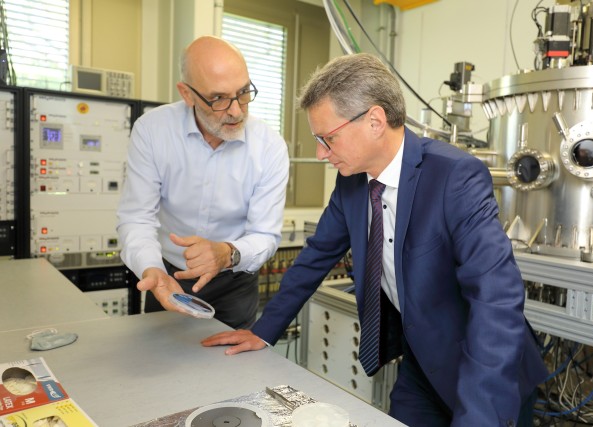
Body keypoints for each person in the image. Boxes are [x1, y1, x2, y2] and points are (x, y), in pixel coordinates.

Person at [201, 52, 548, 426]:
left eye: (327, 138)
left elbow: (495, 300)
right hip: (421, 367)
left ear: (375, 121)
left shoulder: (455, 178)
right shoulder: (352, 181)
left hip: (485, 372)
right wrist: (264, 331)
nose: (320, 154)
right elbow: (316, 256)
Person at [116, 36, 289, 329]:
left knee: (233, 370)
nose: (236, 111)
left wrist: (228, 253)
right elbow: (136, 218)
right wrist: (153, 269)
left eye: (243, 92)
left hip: (235, 281)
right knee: (160, 365)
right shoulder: (152, 131)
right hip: (168, 277)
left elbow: (265, 234)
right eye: (219, 98)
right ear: (187, 94)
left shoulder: (269, 147)